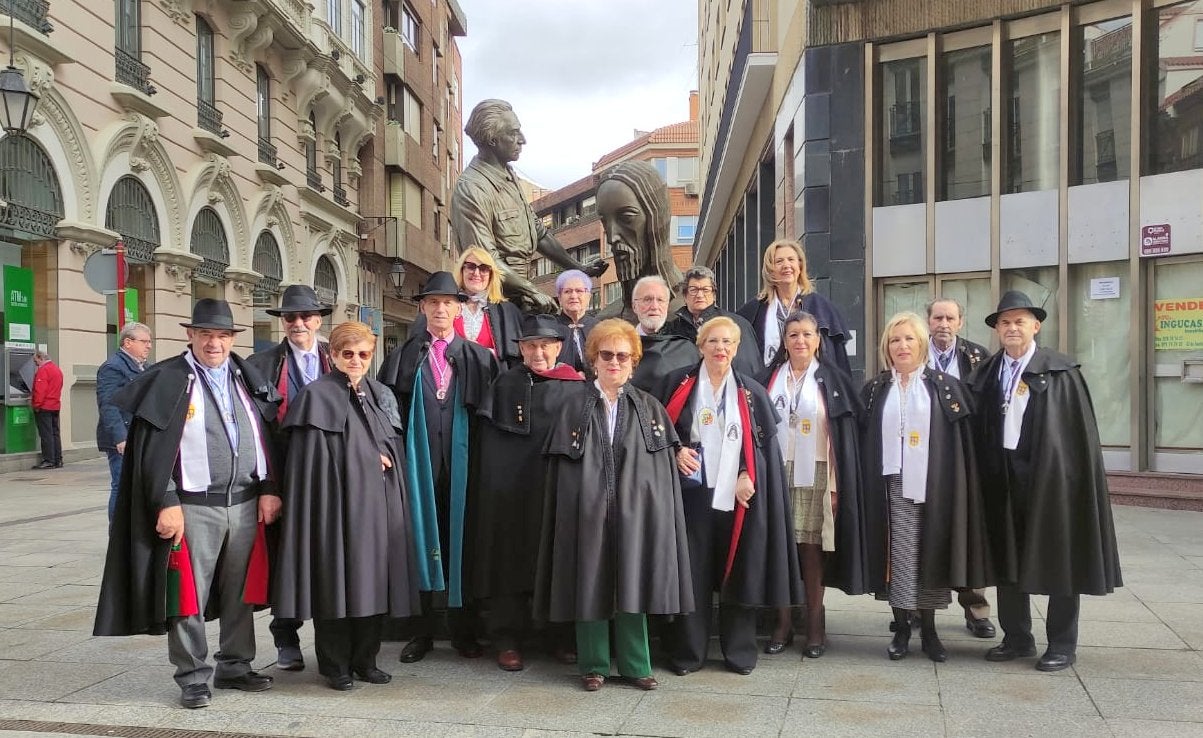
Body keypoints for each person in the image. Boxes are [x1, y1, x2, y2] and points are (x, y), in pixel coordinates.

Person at [93, 299, 282, 710]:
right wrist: (166, 499)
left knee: (240, 592)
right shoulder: (169, 379)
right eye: (207, 334)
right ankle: (193, 676)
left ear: (232, 339)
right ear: (191, 335)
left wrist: (269, 485)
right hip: (193, 506)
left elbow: (264, 433)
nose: (215, 343)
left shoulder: (244, 376)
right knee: (188, 596)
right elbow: (151, 452)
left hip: (246, 501)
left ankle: (235, 664)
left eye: (223, 335)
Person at [966, 291, 1121, 672]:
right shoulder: (985, 374)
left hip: (1050, 480)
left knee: (1059, 557)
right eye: (1005, 322)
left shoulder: (1060, 371)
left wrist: (1066, 478)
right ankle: (1017, 637)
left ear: (1036, 326)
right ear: (996, 330)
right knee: (1007, 559)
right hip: (1000, 477)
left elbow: (1074, 436)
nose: (1012, 328)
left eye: (1020, 321)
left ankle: (1062, 644)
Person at [535, 318, 693, 692]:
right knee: (589, 580)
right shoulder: (572, 406)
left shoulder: (650, 408)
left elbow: (658, 469)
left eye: (623, 356)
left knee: (632, 581)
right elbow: (561, 472)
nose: (615, 362)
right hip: (586, 512)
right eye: (607, 355)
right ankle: (593, 664)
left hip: (634, 514)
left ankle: (637, 665)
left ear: (633, 362)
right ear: (593, 359)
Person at [272, 321, 419, 691]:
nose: (356, 360)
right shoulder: (315, 397)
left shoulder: (378, 394)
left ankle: (365, 660)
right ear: (334, 355)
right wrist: (367, 459)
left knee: (373, 582)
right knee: (334, 583)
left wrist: (383, 458)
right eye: (348, 353)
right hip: (332, 509)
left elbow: (392, 447)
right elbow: (312, 462)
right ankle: (335, 665)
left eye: (363, 354)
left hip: (375, 509)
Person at [663, 317, 802, 676]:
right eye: (712, 341)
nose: (719, 348)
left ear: (736, 349)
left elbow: (761, 450)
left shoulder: (752, 392)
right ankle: (689, 653)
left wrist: (747, 474)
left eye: (727, 342)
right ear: (701, 345)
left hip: (736, 500)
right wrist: (675, 451)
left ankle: (738, 651)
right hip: (690, 496)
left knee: (738, 572)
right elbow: (660, 432)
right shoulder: (678, 384)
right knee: (691, 573)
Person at [377, 271, 499, 664]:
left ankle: (465, 631)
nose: (441, 308)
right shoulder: (403, 356)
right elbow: (387, 416)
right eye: (433, 302)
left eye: (448, 302)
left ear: (459, 307)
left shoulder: (481, 358)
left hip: (467, 471)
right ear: (423, 307)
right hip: (419, 468)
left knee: (463, 546)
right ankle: (422, 632)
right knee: (419, 545)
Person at [861, 312, 990, 662]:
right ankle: (902, 627)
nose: (902, 346)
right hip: (890, 486)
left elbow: (960, 444)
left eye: (909, 339)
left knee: (929, 555)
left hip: (934, 485)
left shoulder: (944, 387)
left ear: (922, 344)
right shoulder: (875, 390)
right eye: (895, 340)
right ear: (887, 347)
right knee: (899, 558)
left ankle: (930, 630)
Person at [475, 314, 586, 671]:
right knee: (509, 562)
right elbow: (489, 447)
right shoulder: (504, 384)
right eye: (530, 346)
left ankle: (560, 637)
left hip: (557, 492)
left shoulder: (577, 387)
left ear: (558, 347)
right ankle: (506, 639)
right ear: (520, 349)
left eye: (544, 345)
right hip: (511, 495)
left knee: (560, 560)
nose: (538, 353)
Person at [760, 311, 868, 658]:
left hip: (818, 473)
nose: (800, 341)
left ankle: (815, 625)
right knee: (779, 548)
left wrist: (837, 486)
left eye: (807, 334)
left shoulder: (832, 379)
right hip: (776, 473)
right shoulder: (768, 378)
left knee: (810, 550)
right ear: (785, 340)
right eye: (793, 335)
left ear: (818, 339)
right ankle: (782, 622)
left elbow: (843, 438)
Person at [246, 284, 334, 672]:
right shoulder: (262, 364)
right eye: (290, 317)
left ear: (318, 320)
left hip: (330, 478)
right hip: (283, 475)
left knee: (329, 555)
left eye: (304, 316)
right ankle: (286, 636)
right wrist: (268, 487)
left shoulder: (341, 358)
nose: (298, 323)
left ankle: (333, 639)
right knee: (283, 556)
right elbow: (255, 431)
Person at [450, 99, 605, 313]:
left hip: (522, 297)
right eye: (513, 133)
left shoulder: (509, 177)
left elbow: (539, 234)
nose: (522, 140)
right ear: (493, 140)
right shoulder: (472, 189)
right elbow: (485, 260)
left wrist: (579, 268)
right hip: (495, 305)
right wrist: (532, 291)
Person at [925, 297, 995, 639]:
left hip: (966, 460)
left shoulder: (978, 358)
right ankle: (914, 610)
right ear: (928, 321)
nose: (943, 324)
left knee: (969, 536)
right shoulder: (911, 351)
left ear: (960, 322)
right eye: (938, 317)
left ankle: (976, 608)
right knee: (921, 536)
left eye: (950, 317)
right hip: (922, 460)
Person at [736, 239, 851, 374]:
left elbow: (838, 360)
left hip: (814, 387)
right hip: (768, 389)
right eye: (779, 261)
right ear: (770, 269)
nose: (786, 265)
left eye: (791, 260)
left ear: (800, 266)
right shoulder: (754, 310)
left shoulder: (822, 307)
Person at [596, 160, 684, 317]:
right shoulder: (606, 320)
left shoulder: (693, 313)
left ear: (657, 218)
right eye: (605, 221)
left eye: (626, 218)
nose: (612, 237)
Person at [96, 322, 153, 521]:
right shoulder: (113, 367)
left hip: (140, 435)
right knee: (121, 487)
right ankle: (116, 540)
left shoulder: (145, 367)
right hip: (124, 439)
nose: (149, 346)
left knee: (138, 488)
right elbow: (108, 405)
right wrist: (120, 437)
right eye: (144, 341)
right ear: (128, 342)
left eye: (150, 342)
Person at [664, 266, 762, 376]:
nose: (700, 295)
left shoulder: (736, 325)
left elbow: (750, 367)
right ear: (685, 296)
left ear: (714, 295)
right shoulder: (673, 329)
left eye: (705, 290)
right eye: (693, 290)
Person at [627, 276, 700, 403]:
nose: (654, 306)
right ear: (634, 306)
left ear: (667, 306)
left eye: (660, 300)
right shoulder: (620, 347)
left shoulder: (686, 348)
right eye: (647, 299)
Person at [553, 269, 598, 375]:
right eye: (567, 291)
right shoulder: (550, 328)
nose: (573, 296)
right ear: (559, 298)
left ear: (588, 296)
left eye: (579, 291)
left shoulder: (600, 328)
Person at [31, 350, 64, 470]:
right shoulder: (57, 369)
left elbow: (40, 390)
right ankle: (57, 459)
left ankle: (48, 460)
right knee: (55, 433)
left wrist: (36, 405)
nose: (36, 364)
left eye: (36, 361)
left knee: (46, 434)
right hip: (55, 405)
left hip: (44, 406)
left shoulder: (43, 370)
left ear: (40, 358)